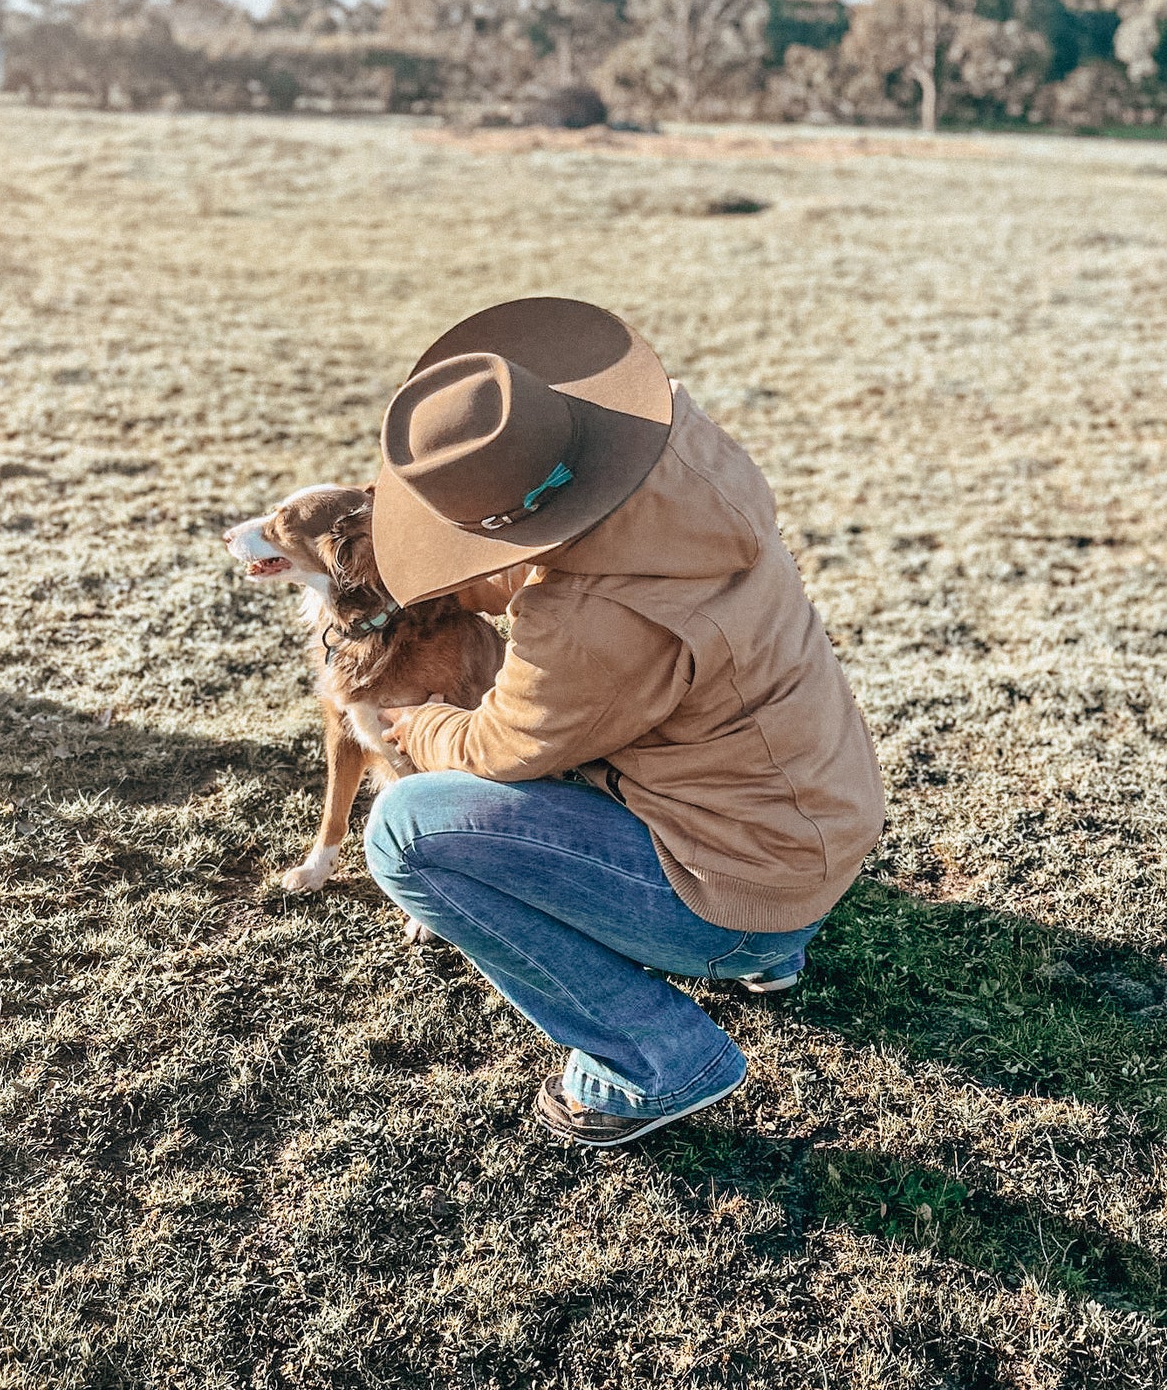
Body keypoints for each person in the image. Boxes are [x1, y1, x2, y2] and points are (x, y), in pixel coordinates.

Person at [365, 297, 884, 1148]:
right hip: (822, 817)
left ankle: (652, 1059)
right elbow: (607, 557)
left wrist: (418, 723)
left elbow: (502, 747)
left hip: (741, 890)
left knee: (404, 833)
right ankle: (767, 959)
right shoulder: (682, 443)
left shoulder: (584, 626)